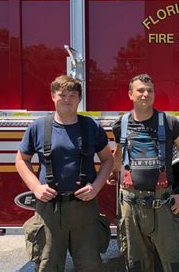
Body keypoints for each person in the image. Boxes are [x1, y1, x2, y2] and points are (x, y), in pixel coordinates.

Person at [15, 75, 114, 271]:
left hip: (84, 208)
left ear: (79, 99)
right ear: (53, 96)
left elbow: (108, 160)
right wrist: (35, 187)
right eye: (62, 94)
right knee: (48, 264)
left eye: (72, 95)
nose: (67, 99)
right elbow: (21, 160)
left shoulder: (92, 127)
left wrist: (96, 187)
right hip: (49, 210)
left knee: (90, 265)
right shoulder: (38, 127)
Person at [110, 73, 179, 272]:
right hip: (130, 206)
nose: (146, 94)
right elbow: (119, 153)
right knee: (136, 264)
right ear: (130, 94)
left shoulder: (170, 123)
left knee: (176, 263)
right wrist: (114, 173)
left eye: (150, 91)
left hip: (163, 205)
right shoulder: (120, 124)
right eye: (141, 90)